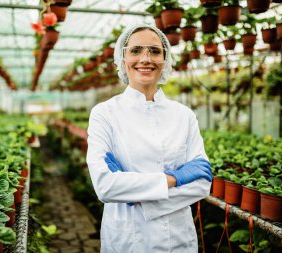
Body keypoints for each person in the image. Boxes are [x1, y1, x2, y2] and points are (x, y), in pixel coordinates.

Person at [86, 23, 213, 253]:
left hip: (179, 240)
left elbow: (202, 184)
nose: (145, 58)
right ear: (123, 58)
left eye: (154, 51)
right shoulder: (104, 114)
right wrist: (175, 178)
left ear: (165, 59)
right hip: (129, 239)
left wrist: (133, 191)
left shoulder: (183, 115)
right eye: (136, 50)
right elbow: (105, 187)